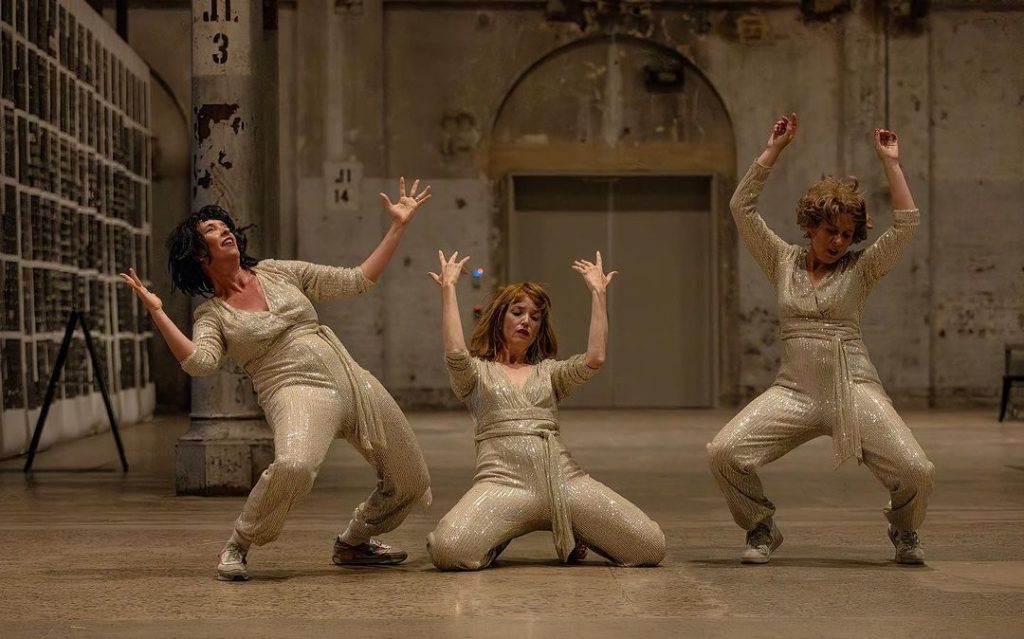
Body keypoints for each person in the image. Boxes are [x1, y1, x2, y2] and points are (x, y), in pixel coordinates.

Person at [119, 178, 433, 581]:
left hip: (350, 377)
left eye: (224, 224)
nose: (224, 230)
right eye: (211, 230)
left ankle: (354, 542)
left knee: (410, 479)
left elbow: (356, 280)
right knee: (295, 465)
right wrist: (159, 312)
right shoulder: (213, 314)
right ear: (199, 254)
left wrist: (398, 226)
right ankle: (239, 543)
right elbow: (200, 363)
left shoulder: (277, 272)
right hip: (294, 388)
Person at [707, 114, 935, 565]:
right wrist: (773, 151)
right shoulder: (781, 260)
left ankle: (905, 529)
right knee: (724, 453)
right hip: (795, 390)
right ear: (811, 224)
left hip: (853, 389)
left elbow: (906, 224)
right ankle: (761, 527)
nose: (838, 240)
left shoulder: (861, 269)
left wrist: (891, 163)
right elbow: (741, 209)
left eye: (847, 234)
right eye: (831, 230)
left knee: (916, 470)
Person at [425, 250, 665, 570]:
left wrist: (598, 293)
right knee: (448, 550)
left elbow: (595, 358)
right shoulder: (476, 374)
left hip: (564, 482)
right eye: (518, 312)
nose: (527, 320)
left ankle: (580, 532)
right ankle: (496, 539)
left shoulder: (550, 373)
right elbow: (455, 351)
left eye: (535, 317)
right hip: (503, 484)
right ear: (500, 317)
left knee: (650, 547)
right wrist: (448, 289)